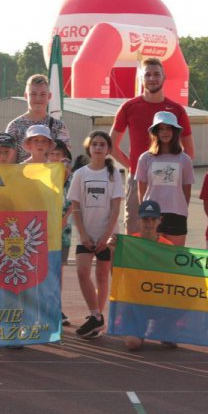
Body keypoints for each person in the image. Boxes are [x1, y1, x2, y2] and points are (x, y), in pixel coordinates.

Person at [109, 57, 194, 235]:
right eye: (147, 75)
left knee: (169, 232)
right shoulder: (129, 107)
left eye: (156, 74)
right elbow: (112, 145)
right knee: (135, 228)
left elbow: (189, 151)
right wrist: (134, 168)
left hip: (170, 179)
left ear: (164, 77)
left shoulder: (177, 110)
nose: (152, 78)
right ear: (141, 78)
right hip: (139, 179)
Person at [67, 131, 124, 338]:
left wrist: (106, 236)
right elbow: (75, 207)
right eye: (95, 144)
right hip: (86, 235)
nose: (98, 148)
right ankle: (95, 314)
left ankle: (97, 317)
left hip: (106, 236)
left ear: (108, 149)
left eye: (102, 144)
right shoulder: (80, 174)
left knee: (102, 276)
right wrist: (83, 234)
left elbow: (116, 207)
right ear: (89, 148)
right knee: (82, 272)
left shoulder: (113, 173)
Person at [107, 200, 174, 351]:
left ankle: (161, 327)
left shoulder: (168, 248)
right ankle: (131, 325)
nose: (149, 223)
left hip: (158, 301)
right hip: (135, 303)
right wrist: (113, 252)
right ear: (138, 220)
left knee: (188, 298)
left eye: (152, 219)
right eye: (145, 219)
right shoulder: (130, 244)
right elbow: (116, 275)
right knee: (133, 344)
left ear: (159, 220)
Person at [135, 111, 194, 246]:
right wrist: (145, 213)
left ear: (174, 131)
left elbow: (187, 190)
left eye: (168, 128)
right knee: (152, 259)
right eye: (161, 128)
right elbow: (141, 190)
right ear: (156, 132)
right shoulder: (145, 158)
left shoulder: (184, 159)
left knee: (174, 259)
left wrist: (181, 209)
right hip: (152, 215)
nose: (165, 132)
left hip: (177, 214)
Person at [6, 74, 70, 163]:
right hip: (22, 176)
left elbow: (65, 161)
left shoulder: (59, 126)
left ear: (49, 96)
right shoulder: (14, 126)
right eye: (33, 94)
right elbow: (9, 163)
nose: (38, 98)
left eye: (43, 94)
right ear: (26, 96)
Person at [48, 139, 73, 326]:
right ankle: (43, 306)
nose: (56, 157)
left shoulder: (70, 176)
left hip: (63, 232)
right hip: (43, 231)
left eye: (59, 154)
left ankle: (57, 307)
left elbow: (73, 201)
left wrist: (64, 219)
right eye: (52, 153)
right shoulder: (41, 174)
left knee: (58, 270)